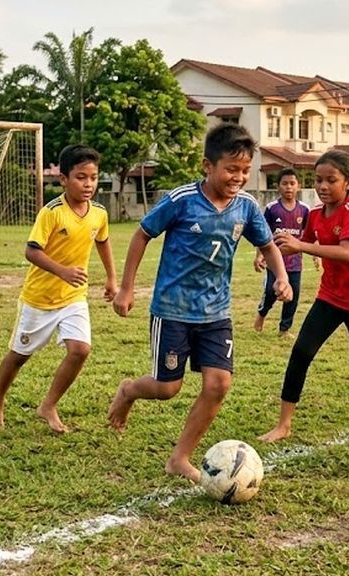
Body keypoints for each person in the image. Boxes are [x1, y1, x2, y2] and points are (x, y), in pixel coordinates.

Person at [107, 123, 292, 483]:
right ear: (208, 166)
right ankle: (129, 390)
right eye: (230, 169)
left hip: (216, 312)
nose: (238, 177)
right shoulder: (182, 200)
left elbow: (267, 245)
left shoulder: (246, 208)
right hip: (172, 309)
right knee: (167, 388)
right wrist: (126, 289)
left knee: (219, 384)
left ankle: (180, 457)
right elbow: (142, 234)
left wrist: (281, 277)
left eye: (244, 171)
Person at [258, 149, 349, 443]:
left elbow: (346, 253)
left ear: (347, 182)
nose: (322, 186)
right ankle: (284, 425)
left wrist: (300, 246)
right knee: (301, 352)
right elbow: (297, 245)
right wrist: (267, 255)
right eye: (318, 180)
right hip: (331, 296)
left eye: (330, 180)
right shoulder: (317, 215)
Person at [0, 145, 117, 433]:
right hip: (39, 298)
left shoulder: (98, 213)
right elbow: (31, 252)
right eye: (81, 177)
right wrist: (62, 271)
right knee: (19, 356)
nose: (88, 184)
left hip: (73, 298)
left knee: (80, 349)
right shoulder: (52, 212)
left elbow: (103, 241)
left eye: (93, 178)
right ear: (63, 179)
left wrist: (111, 278)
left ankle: (48, 405)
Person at [253, 167, 312, 338]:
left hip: (295, 262)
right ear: (278, 186)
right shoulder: (272, 209)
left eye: (292, 183)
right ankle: (262, 314)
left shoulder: (305, 210)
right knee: (271, 292)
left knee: (292, 295)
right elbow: (262, 234)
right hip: (274, 262)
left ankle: (284, 329)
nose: (288, 187)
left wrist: (315, 256)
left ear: (298, 186)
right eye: (285, 183)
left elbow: (309, 235)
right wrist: (259, 255)